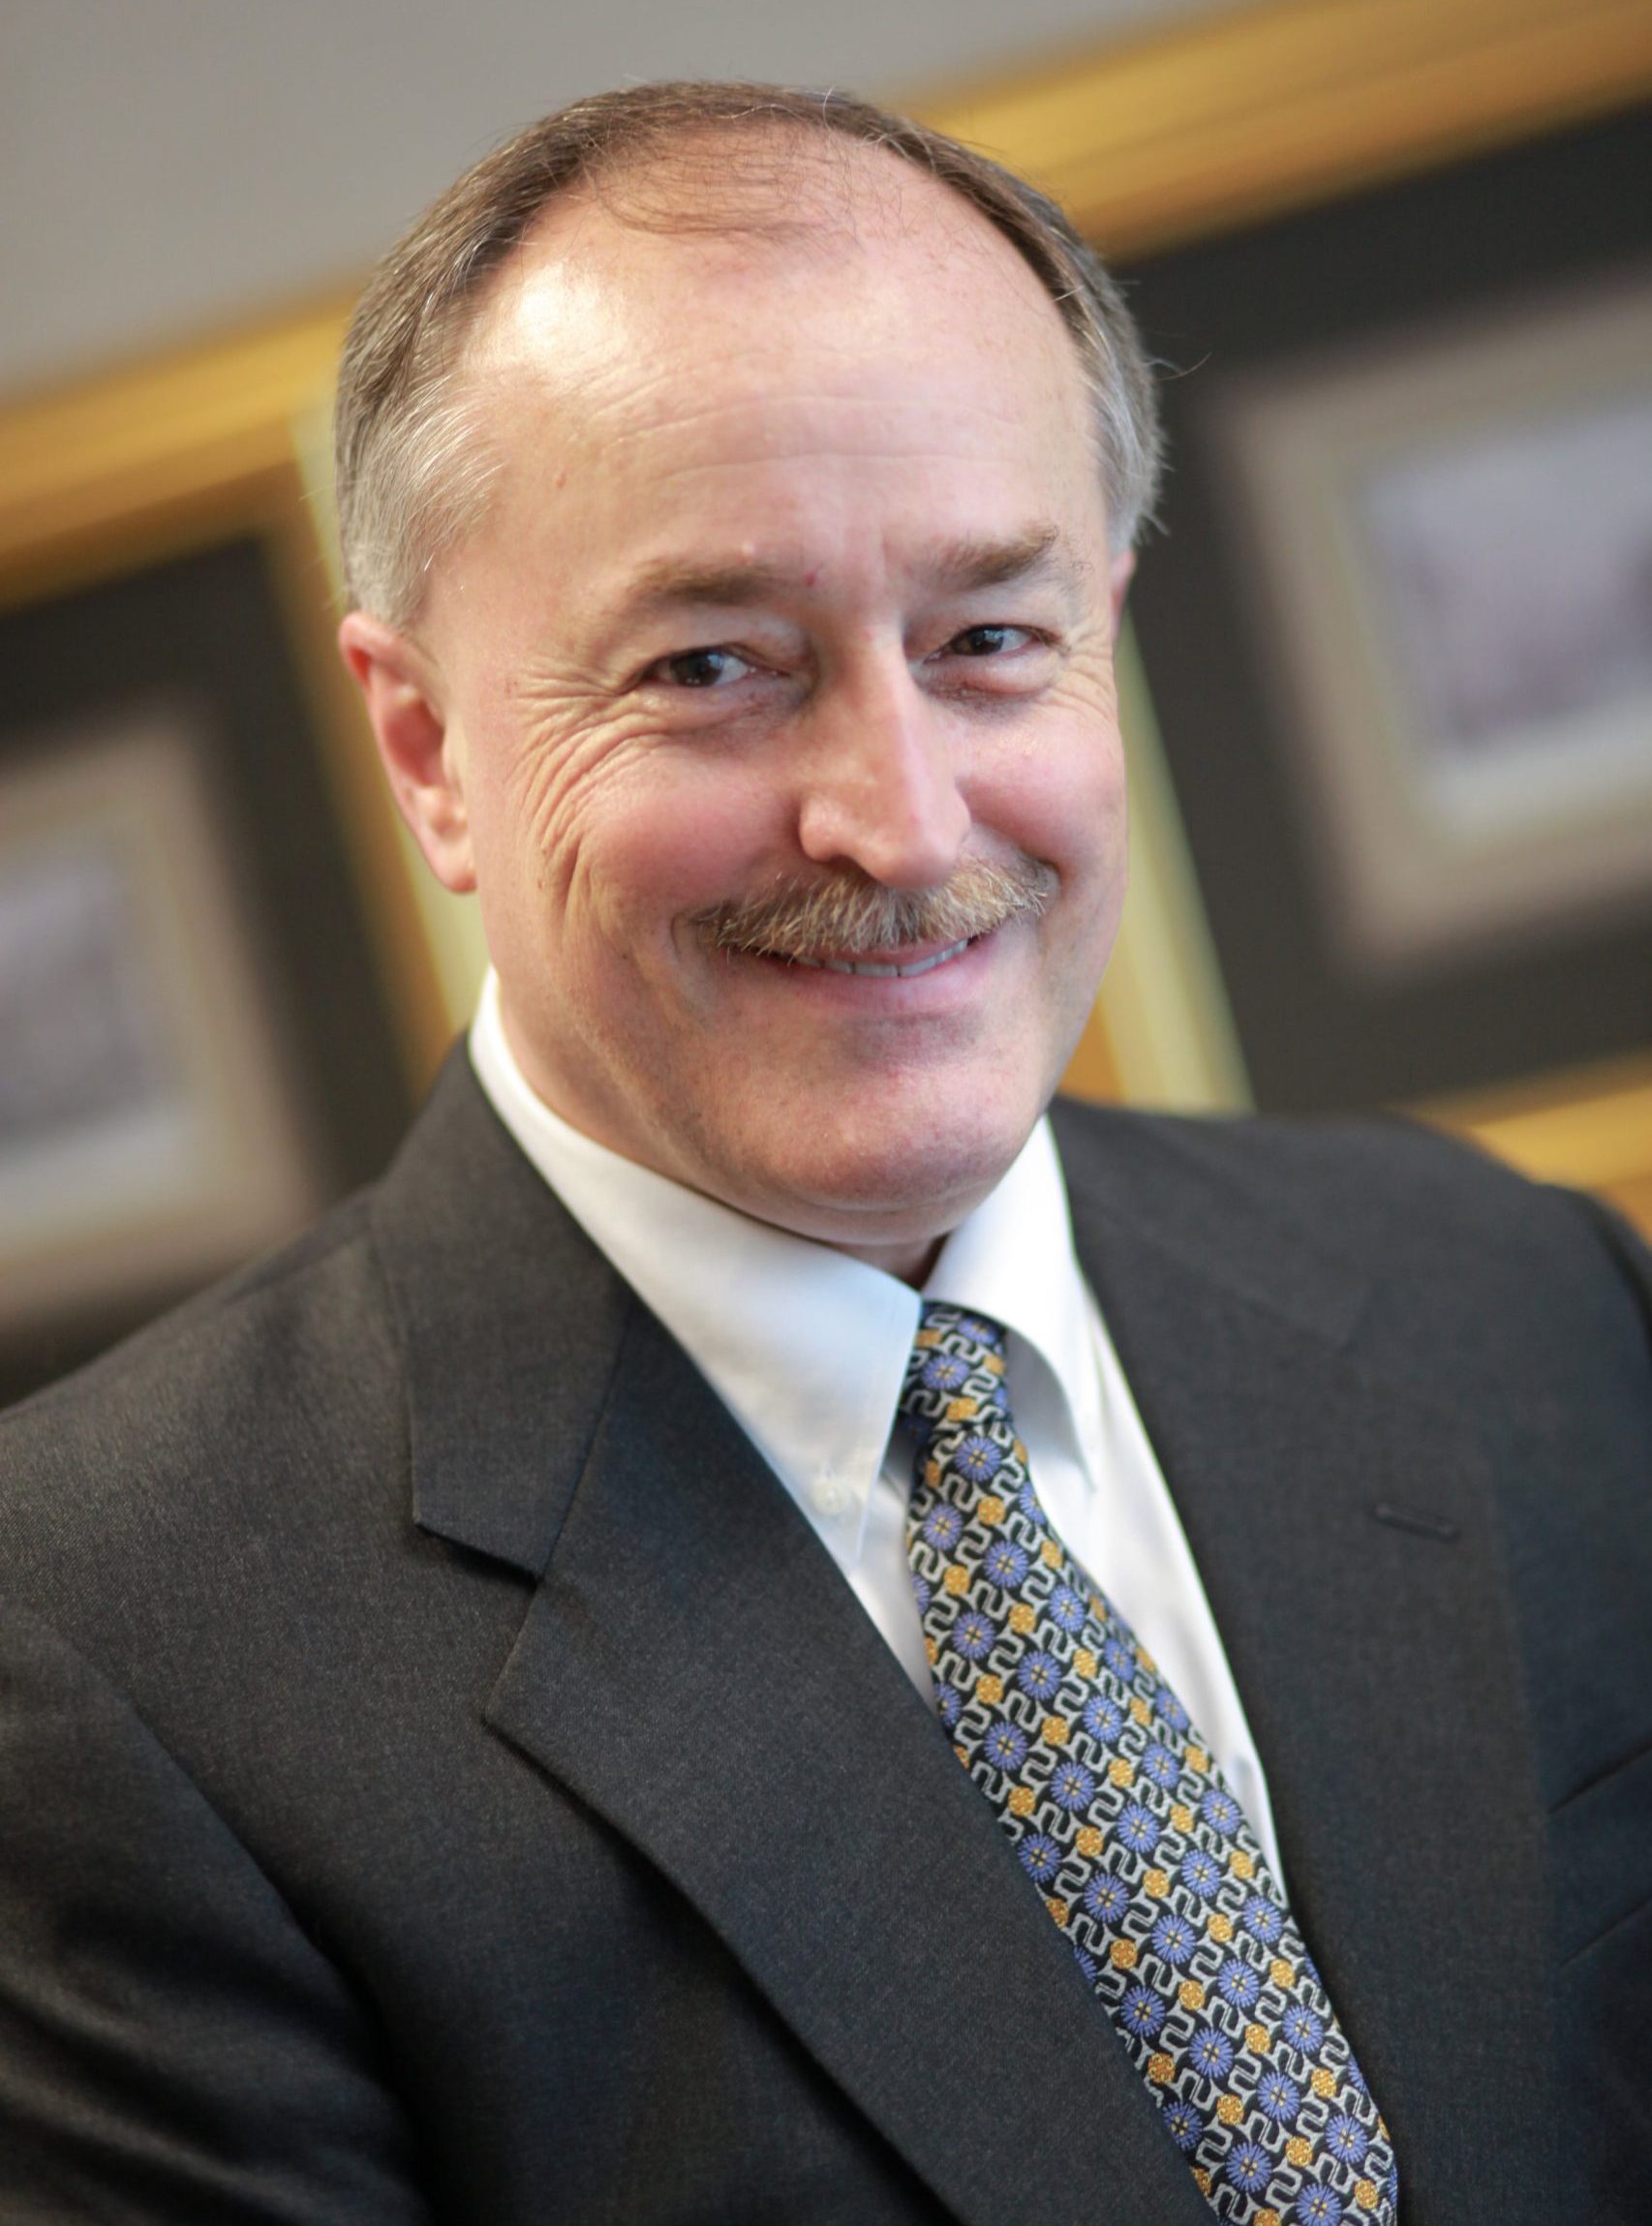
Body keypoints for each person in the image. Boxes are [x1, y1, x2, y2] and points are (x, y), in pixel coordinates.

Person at [1, 81, 1648, 2226]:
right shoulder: (103, 1650)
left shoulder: (1516, 1297)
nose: (901, 817)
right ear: (429, 749)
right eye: (713, 667)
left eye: (987, 641)